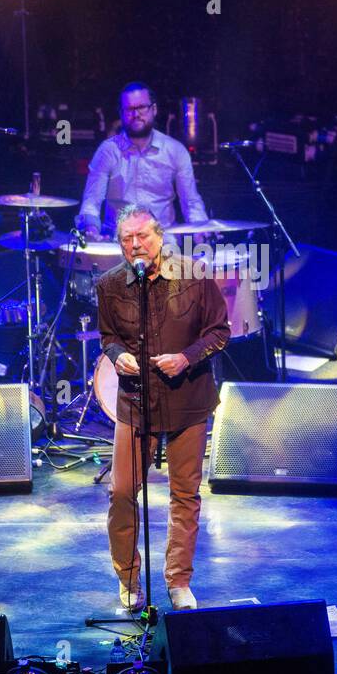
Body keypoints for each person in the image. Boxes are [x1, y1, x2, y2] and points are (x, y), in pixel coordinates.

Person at [96, 203, 229, 612]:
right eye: (127, 239)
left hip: (187, 398)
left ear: (160, 236)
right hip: (136, 401)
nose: (135, 245)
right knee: (121, 493)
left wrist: (186, 357)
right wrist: (117, 355)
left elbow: (220, 331)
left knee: (184, 494)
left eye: (143, 237)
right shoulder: (109, 284)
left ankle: (179, 581)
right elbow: (107, 337)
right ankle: (130, 579)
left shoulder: (194, 275)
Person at [76, 82, 209, 241]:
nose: (136, 114)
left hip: (163, 240)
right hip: (117, 241)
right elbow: (91, 202)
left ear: (154, 109)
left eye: (142, 107)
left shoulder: (175, 150)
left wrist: (202, 233)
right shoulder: (108, 151)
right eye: (130, 109)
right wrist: (91, 229)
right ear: (121, 113)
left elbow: (191, 202)